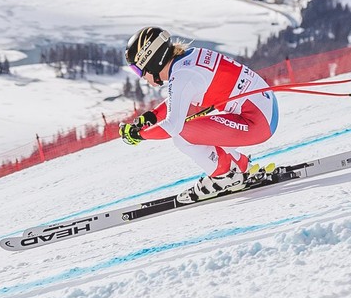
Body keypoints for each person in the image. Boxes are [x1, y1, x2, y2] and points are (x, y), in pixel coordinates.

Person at [119, 26, 279, 203]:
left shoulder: (182, 76)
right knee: (200, 128)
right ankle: (241, 167)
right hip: (264, 110)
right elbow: (182, 97)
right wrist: (152, 117)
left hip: (258, 123)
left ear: (151, 61)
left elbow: (173, 125)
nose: (141, 77)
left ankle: (223, 177)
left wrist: (139, 135)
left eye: (138, 70)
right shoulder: (189, 58)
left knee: (182, 135)